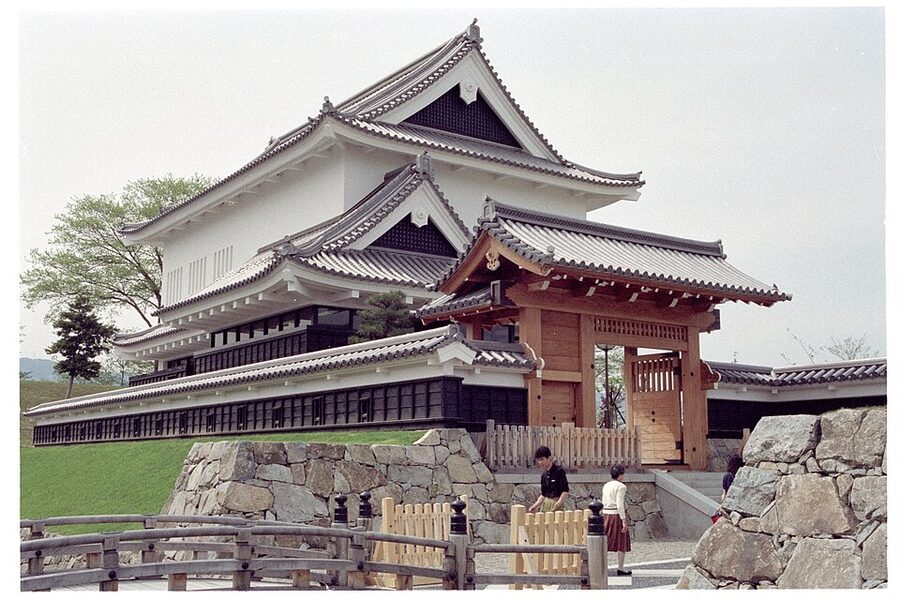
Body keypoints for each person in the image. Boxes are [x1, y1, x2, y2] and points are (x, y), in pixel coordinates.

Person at [601, 463, 632, 576]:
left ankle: (602, 566)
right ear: (620, 475)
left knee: (605, 541)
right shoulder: (621, 487)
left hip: (605, 514)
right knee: (622, 542)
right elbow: (619, 504)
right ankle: (620, 567)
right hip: (616, 515)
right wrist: (624, 520)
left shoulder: (606, 485)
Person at [527, 446, 569, 513]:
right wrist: (534, 506)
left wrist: (558, 504)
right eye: (538, 460)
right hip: (546, 503)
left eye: (542, 459)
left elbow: (565, 491)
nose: (540, 462)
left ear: (549, 458)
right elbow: (543, 495)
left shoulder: (559, 471)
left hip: (556, 503)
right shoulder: (544, 475)